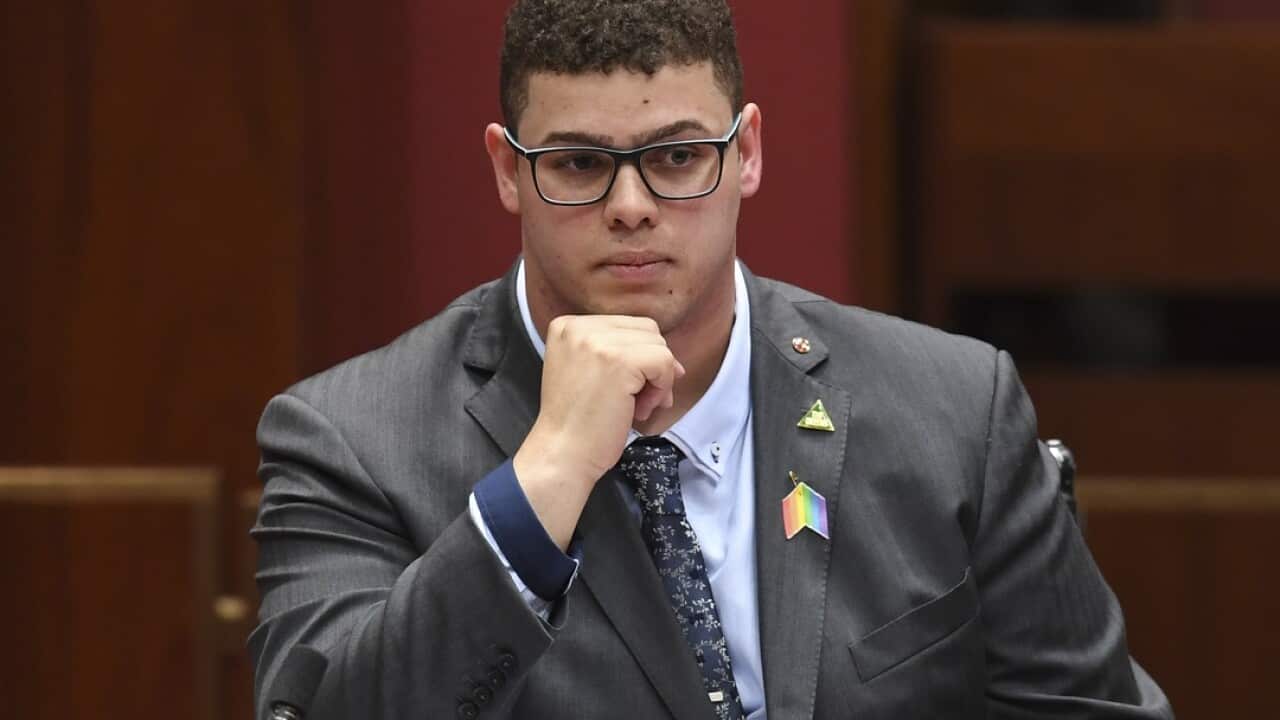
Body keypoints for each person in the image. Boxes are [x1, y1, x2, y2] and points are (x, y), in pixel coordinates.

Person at [249, 1, 1172, 718]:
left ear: (748, 153)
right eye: (578, 165)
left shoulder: (955, 408)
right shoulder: (351, 441)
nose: (631, 206)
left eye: (679, 156)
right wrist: (547, 474)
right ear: (507, 170)